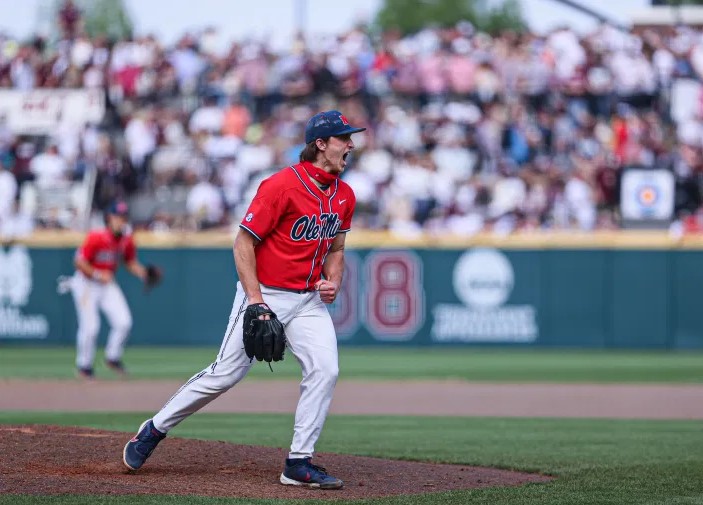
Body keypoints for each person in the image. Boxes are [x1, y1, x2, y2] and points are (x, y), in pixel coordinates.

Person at [122, 110, 365, 490]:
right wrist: (255, 300)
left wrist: (333, 281)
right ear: (320, 144)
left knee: (325, 370)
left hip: (308, 301)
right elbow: (243, 242)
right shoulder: (281, 186)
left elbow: (336, 248)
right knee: (225, 374)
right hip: (266, 293)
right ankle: (153, 429)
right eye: (343, 138)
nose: (350, 144)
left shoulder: (345, 195)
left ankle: (298, 462)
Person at [62, 201, 152, 378]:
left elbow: (129, 262)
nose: (121, 220)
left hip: (107, 283)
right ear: (109, 218)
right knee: (90, 328)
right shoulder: (97, 236)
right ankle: (84, 366)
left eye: (124, 217)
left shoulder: (126, 240)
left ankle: (112, 357)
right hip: (86, 283)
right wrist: (97, 274)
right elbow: (79, 262)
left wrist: (143, 273)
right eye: (118, 217)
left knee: (124, 322)